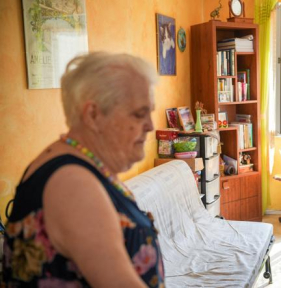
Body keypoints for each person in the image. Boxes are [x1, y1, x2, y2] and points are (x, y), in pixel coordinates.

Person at [3, 52, 164, 287]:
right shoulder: (73, 185)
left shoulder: (80, 164)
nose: (150, 125)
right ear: (93, 115)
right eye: (140, 113)